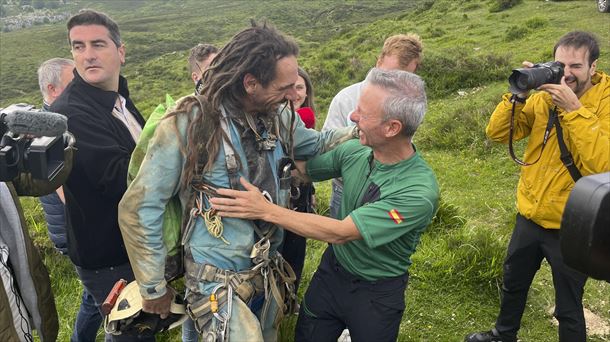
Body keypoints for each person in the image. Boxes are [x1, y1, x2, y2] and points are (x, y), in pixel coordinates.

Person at [118, 21, 358, 342]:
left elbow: (311, 145)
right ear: (250, 83)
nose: (292, 95)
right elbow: (141, 205)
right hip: (216, 281)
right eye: (283, 87)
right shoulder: (191, 121)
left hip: (267, 272)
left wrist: (360, 131)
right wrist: (151, 287)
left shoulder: (276, 115)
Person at [209, 68, 440, 342]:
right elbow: (302, 170)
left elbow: (340, 232)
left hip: (377, 293)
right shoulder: (356, 150)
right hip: (332, 275)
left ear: (392, 128)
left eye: (363, 113)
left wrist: (265, 209)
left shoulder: (417, 191)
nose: (353, 117)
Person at [465, 31, 609, 342]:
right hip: (530, 213)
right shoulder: (544, 97)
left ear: (593, 67)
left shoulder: (606, 102)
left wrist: (574, 111)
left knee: (568, 307)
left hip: (574, 223)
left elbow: (603, 166)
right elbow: (498, 133)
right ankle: (503, 335)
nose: (566, 74)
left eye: (576, 66)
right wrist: (518, 96)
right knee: (513, 282)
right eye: (560, 65)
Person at [49, 9, 149, 342]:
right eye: (78, 46)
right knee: (131, 335)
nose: (87, 55)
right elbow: (122, 178)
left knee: (135, 330)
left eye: (97, 44)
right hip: (108, 255)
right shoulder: (71, 113)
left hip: (128, 246)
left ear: (120, 51)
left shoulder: (117, 99)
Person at [37, 57, 104, 342]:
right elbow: (68, 193)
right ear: (52, 90)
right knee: (100, 295)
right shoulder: (50, 132)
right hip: (73, 230)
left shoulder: (52, 125)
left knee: (98, 294)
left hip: (72, 228)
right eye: (72, 84)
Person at [322, 33, 423, 221]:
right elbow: (325, 144)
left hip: (388, 189)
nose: (392, 83)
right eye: (388, 74)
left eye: (404, 77)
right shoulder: (345, 98)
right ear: (378, 62)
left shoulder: (407, 106)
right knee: (339, 244)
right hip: (345, 190)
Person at [280, 66, 317, 292]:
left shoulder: (306, 117)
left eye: (300, 87)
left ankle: (288, 295)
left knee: (295, 243)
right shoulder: (296, 118)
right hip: (281, 188)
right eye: (291, 87)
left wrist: (310, 193)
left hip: (300, 191)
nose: (296, 93)